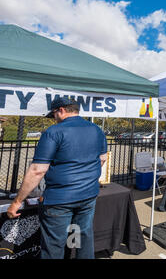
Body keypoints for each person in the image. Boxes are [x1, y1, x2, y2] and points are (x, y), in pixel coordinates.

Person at [7, 97, 107, 259]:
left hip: (59, 201)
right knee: (81, 237)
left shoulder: (53, 132)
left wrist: (17, 202)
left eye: (53, 114)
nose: (54, 119)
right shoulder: (96, 129)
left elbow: (37, 171)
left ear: (60, 110)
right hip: (88, 196)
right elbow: (102, 159)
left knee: (54, 245)